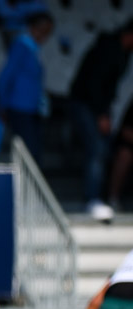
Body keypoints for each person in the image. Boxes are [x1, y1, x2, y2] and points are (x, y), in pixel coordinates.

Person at [70, 20, 133, 222]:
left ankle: (100, 197)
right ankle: (92, 200)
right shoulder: (107, 48)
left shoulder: (123, 52)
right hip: (85, 104)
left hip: (97, 107)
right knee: (97, 149)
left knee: (102, 150)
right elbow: (94, 84)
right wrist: (102, 115)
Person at [0, 11, 53, 166]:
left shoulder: (34, 49)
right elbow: (6, 76)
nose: (46, 36)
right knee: (29, 153)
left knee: (33, 152)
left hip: (32, 108)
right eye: (44, 31)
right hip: (19, 108)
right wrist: (2, 105)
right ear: (34, 28)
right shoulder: (21, 45)